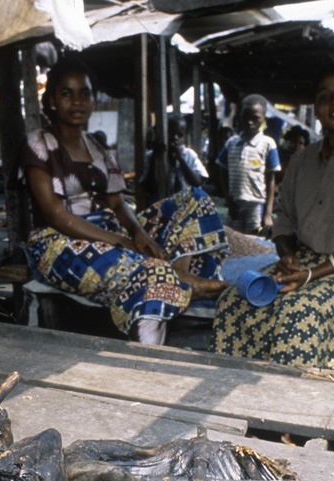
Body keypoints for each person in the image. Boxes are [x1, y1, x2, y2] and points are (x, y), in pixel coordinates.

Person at [18, 56, 231, 345]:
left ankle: (183, 277)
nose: (77, 101)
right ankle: (147, 359)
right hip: (57, 241)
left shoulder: (99, 148)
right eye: (66, 93)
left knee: (195, 199)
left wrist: (139, 233)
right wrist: (118, 241)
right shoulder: (39, 143)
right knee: (153, 270)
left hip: (108, 230)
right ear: (52, 100)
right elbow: (56, 215)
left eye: (85, 93)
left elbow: (118, 205)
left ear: (93, 100)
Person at [211, 61, 334, 368]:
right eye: (325, 96)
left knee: (298, 314)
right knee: (234, 301)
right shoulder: (302, 161)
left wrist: (311, 276)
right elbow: (285, 219)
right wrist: (288, 255)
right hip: (301, 263)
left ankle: (290, 406)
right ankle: (238, 400)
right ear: (316, 107)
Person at [216, 95, 281, 236]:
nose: (250, 122)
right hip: (234, 204)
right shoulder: (231, 143)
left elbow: (270, 180)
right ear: (239, 117)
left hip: (255, 205)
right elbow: (222, 171)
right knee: (233, 240)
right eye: (246, 117)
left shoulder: (268, 144)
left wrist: (268, 213)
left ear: (264, 119)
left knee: (253, 241)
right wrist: (228, 200)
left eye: (256, 118)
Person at [140, 114, 209, 205]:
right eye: (171, 133)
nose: (175, 138)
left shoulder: (188, 154)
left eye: (180, 135)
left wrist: (181, 159)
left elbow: (197, 182)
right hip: (160, 206)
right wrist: (154, 159)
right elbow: (147, 188)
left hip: (185, 207)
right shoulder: (150, 156)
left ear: (184, 137)